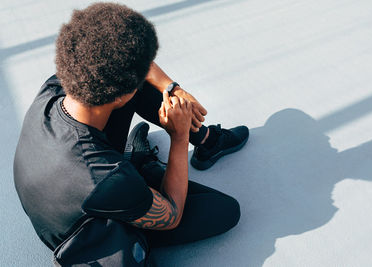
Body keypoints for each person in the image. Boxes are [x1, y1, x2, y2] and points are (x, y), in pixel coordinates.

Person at [13, 2, 249, 265]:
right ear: (121, 93)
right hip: (89, 227)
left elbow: (132, 68)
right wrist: (179, 137)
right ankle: (143, 169)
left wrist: (173, 88)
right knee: (225, 211)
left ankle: (206, 142)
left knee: (146, 86)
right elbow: (171, 215)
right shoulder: (104, 178)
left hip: (73, 181)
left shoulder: (59, 86)